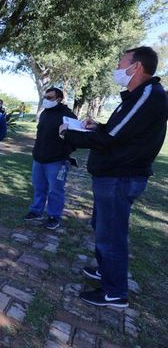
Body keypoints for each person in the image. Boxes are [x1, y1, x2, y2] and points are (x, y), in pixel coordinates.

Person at [61, 46, 168, 308]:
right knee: (102, 227)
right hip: (113, 174)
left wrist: (70, 133)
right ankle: (105, 270)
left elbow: (110, 139)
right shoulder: (136, 97)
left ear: (137, 67)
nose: (117, 69)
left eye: (122, 64)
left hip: (121, 176)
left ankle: (115, 292)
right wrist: (97, 126)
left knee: (111, 234)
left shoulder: (147, 94)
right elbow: (119, 131)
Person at [24, 87, 76, 230]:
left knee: (55, 190)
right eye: (45, 97)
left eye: (49, 97)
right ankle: (36, 211)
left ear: (59, 99)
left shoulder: (67, 115)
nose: (46, 100)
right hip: (39, 158)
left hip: (57, 161)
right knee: (39, 186)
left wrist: (63, 153)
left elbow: (75, 139)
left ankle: (54, 216)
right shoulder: (44, 114)